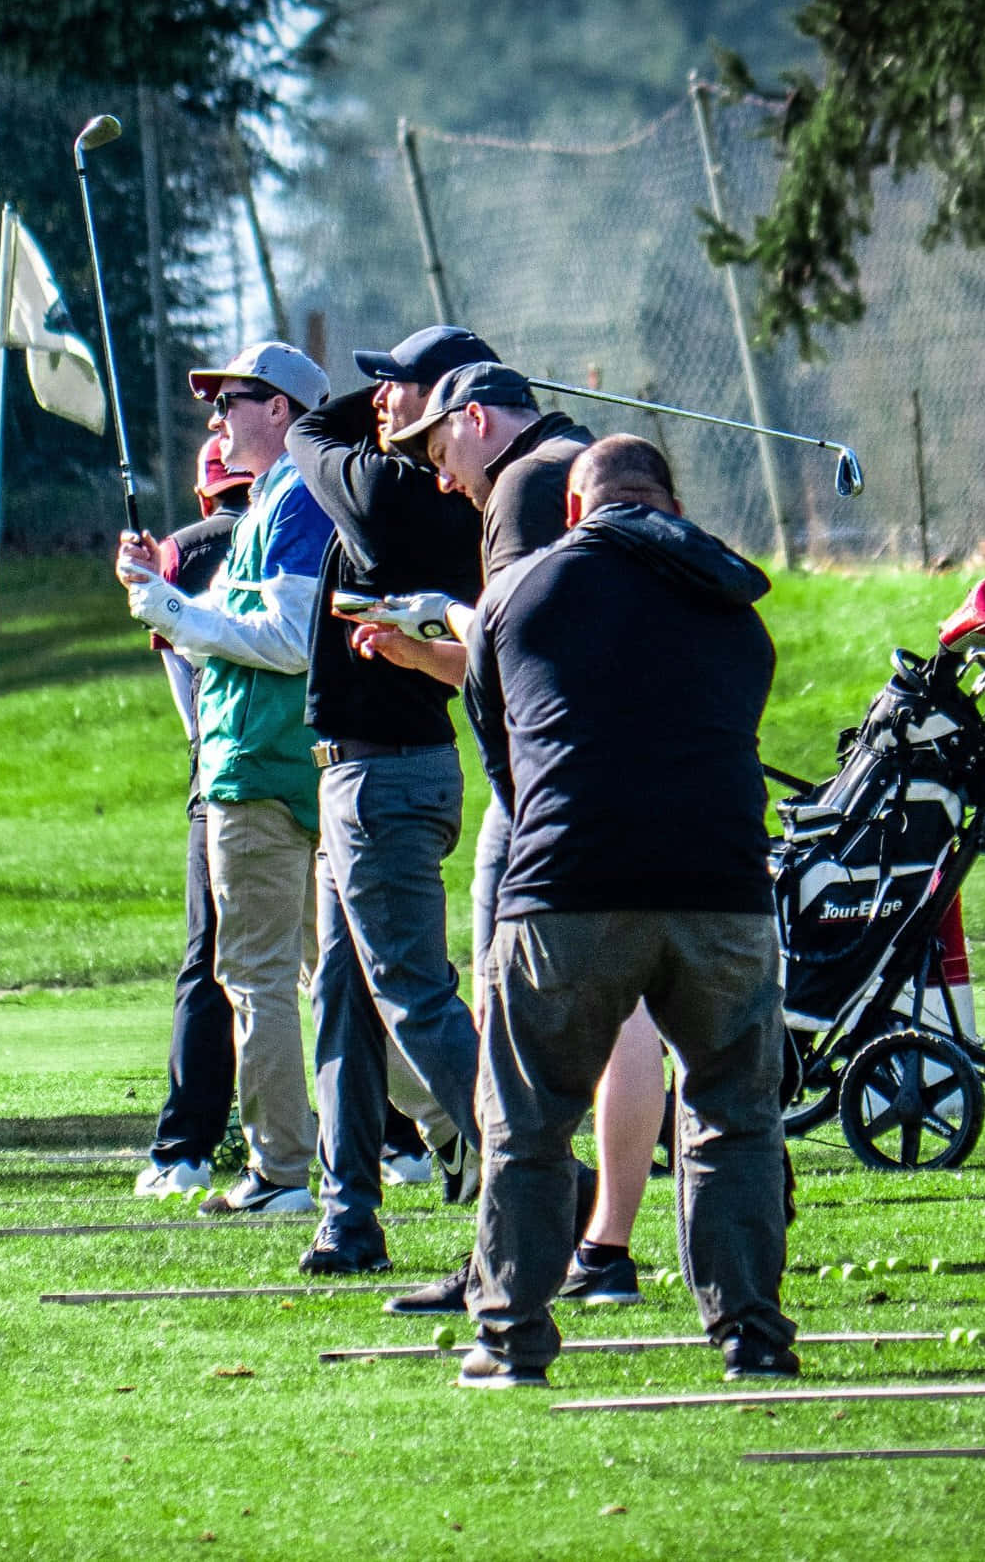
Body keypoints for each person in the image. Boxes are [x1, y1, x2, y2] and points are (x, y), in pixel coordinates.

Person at [455, 434, 797, 1387]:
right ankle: (751, 1335)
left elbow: (505, 760)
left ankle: (510, 1337)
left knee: (525, 1125)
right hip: (721, 892)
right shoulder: (735, 602)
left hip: (568, 886)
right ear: (670, 503)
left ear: (573, 509)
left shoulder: (517, 595)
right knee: (735, 1118)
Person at [362, 365, 662, 1315]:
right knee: (637, 1016)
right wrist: (421, 653)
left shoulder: (526, 484)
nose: (446, 481)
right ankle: (602, 1248)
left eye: (442, 454)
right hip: (632, 783)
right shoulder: (585, 468)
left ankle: (525, 1254)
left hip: (548, 798)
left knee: (513, 1031)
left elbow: (520, 655)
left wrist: (442, 622)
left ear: (477, 420)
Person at [283, 325, 499, 1277]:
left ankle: (531, 1167)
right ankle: (348, 1213)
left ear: (450, 405)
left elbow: (303, 436)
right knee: (342, 998)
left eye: (395, 386)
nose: (374, 400)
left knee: (411, 994)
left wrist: (386, 409)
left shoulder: (399, 492)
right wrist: (404, 395)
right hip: (364, 773)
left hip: (385, 777)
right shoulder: (417, 483)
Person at [119, 341, 333, 1218]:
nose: (215, 419)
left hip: (263, 768)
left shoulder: (295, 502)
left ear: (279, 409)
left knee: (258, 978)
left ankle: (281, 1171)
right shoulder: (274, 504)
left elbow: (285, 640)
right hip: (276, 763)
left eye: (231, 400)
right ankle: (457, 1138)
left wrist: (169, 609)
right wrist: (160, 593)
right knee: (347, 978)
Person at [132, 435, 254, 1198]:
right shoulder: (318, 527)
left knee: (211, 960)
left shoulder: (181, 551)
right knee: (342, 961)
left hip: (223, 770)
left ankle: (185, 1146)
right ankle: (398, 1136)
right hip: (321, 765)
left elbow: (182, 676)